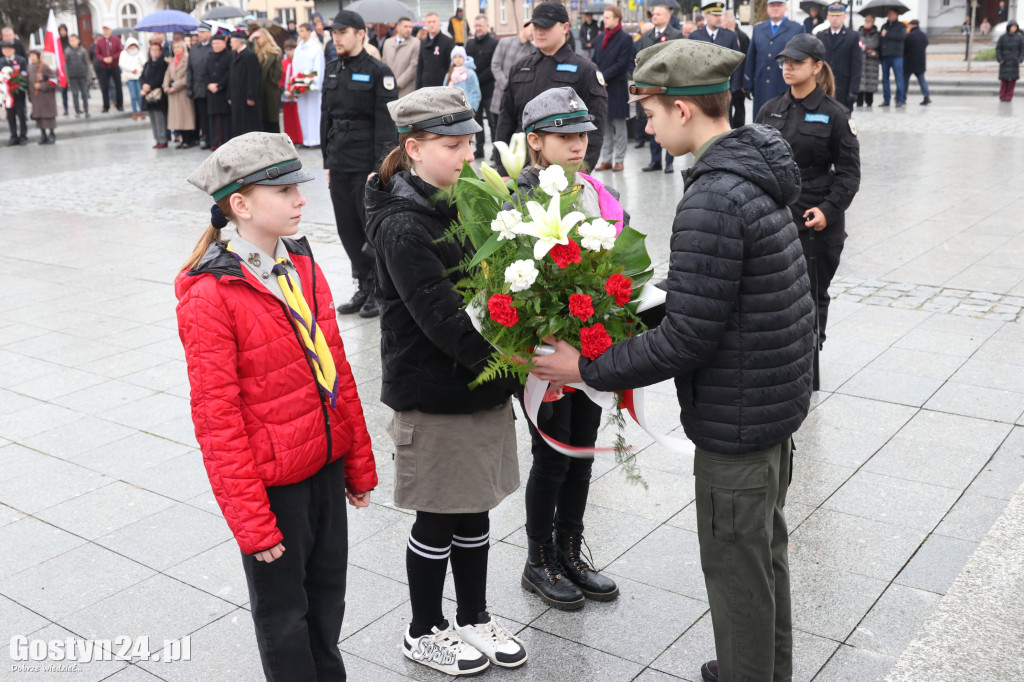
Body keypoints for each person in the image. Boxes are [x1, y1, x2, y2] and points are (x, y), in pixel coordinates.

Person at [531, 38, 813, 682]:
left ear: (684, 110)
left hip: (737, 418)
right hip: (768, 407)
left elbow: (689, 339)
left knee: (737, 567)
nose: (645, 124)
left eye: (651, 111)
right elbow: (732, 300)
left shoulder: (713, 197)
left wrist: (587, 369)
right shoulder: (754, 170)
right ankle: (764, 668)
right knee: (763, 558)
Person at [176, 131, 376, 682]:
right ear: (239, 205)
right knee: (285, 619)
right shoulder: (210, 294)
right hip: (274, 487)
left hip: (325, 465)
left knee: (327, 603)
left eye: (298, 187)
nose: (300, 199)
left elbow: (336, 368)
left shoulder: (301, 265)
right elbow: (217, 421)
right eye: (283, 189)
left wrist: (356, 461)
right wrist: (252, 523)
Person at [363, 86, 526, 677]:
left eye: (471, 144)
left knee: (475, 507)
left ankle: (475, 616)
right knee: (437, 514)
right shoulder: (403, 224)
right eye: (453, 145)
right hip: (435, 389)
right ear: (414, 148)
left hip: (481, 382)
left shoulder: (461, 197)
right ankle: (424, 627)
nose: (466, 156)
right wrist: (520, 368)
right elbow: (441, 319)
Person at [516, 86, 623, 611]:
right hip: (543, 350)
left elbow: (619, 259)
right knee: (552, 456)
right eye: (564, 135)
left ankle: (570, 552)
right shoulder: (519, 202)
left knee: (583, 450)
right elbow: (514, 290)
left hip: (587, 346)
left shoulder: (595, 192)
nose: (578, 143)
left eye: (582, 133)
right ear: (535, 143)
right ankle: (538, 561)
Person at [757, 33, 860, 390]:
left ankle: (809, 367)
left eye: (796, 63)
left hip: (815, 222)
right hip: (775, 219)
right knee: (773, 294)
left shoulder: (836, 115)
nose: (787, 67)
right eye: (784, 62)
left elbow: (849, 176)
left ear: (817, 67)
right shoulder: (769, 109)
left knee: (812, 296)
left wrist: (828, 211)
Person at [320, 10, 399, 318]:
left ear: (360, 33)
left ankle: (380, 289)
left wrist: (379, 166)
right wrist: (327, 159)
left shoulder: (379, 71)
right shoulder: (331, 69)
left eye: (342, 32)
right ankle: (363, 285)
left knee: (370, 229)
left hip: (366, 161)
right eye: (333, 33)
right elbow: (326, 117)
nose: (336, 38)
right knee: (347, 229)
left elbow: (385, 123)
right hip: (339, 160)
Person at [496, 3, 608, 173]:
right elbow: (505, 121)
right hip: (522, 168)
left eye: (546, 26)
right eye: (535, 26)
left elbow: (595, 127)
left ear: (565, 27)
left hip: (564, 170)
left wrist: (580, 173)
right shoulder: (520, 68)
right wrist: (503, 170)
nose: (539, 32)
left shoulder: (585, 70)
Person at [635, 3, 683, 171]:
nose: (654, 16)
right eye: (653, 14)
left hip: (668, 87)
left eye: (658, 14)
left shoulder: (676, 35)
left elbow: (678, 61)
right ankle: (655, 161)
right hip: (650, 87)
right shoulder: (646, 36)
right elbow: (639, 61)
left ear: (667, 17)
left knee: (670, 122)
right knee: (653, 123)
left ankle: (669, 161)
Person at [588, 5, 632, 173]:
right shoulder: (600, 38)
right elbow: (594, 60)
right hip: (602, 87)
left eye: (607, 17)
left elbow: (622, 64)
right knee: (604, 125)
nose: (604, 20)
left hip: (617, 87)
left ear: (616, 19)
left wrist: (603, 77)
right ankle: (606, 159)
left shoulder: (625, 38)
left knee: (619, 127)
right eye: (604, 17)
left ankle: (619, 160)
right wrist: (597, 77)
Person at [744, 0, 805, 119]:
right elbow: (751, 57)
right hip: (762, 87)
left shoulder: (796, 28)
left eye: (779, 5)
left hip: (785, 86)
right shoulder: (758, 29)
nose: (775, 8)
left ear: (785, 8)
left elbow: (802, 58)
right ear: (767, 8)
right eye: (772, 5)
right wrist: (748, 83)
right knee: (761, 124)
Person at [489, 22, 535, 153]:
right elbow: (495, 65)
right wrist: (506, 85)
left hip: (519, 99)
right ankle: (497, 154)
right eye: (532, 29)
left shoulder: (533, 50)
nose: (533, 33)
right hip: (500, 94)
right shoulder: (504, 42)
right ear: (523, 27)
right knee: (498, 127)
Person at [818, 3, 863, 110]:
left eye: (838, 16)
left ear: (844, 17)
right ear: (827, 17)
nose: (835, 19)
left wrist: (853, 90)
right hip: (824, 87)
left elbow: (857, 66)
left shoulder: (853, 37)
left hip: (844, 88)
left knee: (844, 122)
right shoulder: (821, 36)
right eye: (832, 16)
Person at [466, 15, 498, 159]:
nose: (478, 28)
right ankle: (479, 149)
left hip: (489, 89)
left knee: (492, 122)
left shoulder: (494, 43)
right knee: (476, 122)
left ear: (487, 26)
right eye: (476, 25)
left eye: (481, 25)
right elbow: (466, 64)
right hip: (473, 93)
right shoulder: (470, 44)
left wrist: (477, 79)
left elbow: (494, 66)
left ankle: (495, 151)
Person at [293, 23, 325, 147]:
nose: (300, 33)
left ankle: (316, 139)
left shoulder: (316, 48)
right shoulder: (298, 48)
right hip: (301, 84)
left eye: (302, 30)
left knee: (314, 112)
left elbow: (319, 67)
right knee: (303, 112)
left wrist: (315, 83)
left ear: (308, 32)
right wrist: (296, 82)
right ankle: (306, 139)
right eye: (299, 31)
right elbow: (295, 66)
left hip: (312, 85)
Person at [228, 31, 262, 138]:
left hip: (245, 95)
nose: (230, 44)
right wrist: (229, 95)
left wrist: (250, 96)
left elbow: (253, 77)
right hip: (235, 95)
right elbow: (231, 76)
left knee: (248, 122)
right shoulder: (234, 54)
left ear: (239, 42)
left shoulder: (250, 55)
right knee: (237, 122)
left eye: (232, 42)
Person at [164, 40, 197, 148]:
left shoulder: (187, 58)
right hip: (173, 94)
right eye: (174, 48)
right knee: (178, 118)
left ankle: (189, 140)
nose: (176, 50)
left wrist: (175, 86)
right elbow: (167, 74)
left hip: (183, 91)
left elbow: (188, 76)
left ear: (183, 48)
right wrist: (166, 87)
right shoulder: (173, 60)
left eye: (178, 47)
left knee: (186, 117)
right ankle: (183, 139)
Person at [252, 30, 283, 133]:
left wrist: (273, 81)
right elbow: (245, 53)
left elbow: (278, 72)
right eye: (256, 39)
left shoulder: (275, 51)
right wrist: (250, 38)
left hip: (271, 89)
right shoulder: (256, 52)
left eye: (259, 38)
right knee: (262, 118)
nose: (258, 41)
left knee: (272, 118)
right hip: (260, 89)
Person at [139, 41, 169, 149]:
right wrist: (143, 85)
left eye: (156, 50)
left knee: (159, 118)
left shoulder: (163, 64)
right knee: (152, 118)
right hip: (148, 96)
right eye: (152, 49)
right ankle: (157, 139)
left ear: (160, 51)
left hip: (158, 95)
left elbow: (160, 78)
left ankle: (163, 139)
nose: (154, 52)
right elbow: (141, 77)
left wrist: (149, 86)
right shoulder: (148, 63)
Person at [381, 16, 420, 97]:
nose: (409, 29)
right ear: (398, 27)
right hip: (388, 86)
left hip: (406, 89)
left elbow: (413, 67)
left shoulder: (415, 43)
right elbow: (383, 64)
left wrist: (398, 83)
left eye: (410, 27)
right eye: (405, 26)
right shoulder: (388, 42)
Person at [723, 12, 750, 127]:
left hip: (739, 81)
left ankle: (739, 130)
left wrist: (745, 81)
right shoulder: (726, 36)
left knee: (739, 109)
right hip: (729, 79)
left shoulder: (742, 36)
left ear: (729, 21)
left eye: (722, 21)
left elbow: (746, 60)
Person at [205, 33, 231, 150]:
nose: (215, 46)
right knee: (213, 119)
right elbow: (205, 73)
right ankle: (215, 141)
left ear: (224, 44)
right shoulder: (210, 57)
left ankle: (224, 141)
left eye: (217, 43)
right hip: (211, 92)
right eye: (213, 43)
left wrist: (219, 85)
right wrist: (209, 84)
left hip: (223, 92)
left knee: (225, 119)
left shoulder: (229, 56)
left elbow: (229, 73)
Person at [188, 25, 213, 147]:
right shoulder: (194, 49)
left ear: (209, 32)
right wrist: (190, 87)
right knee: (203, 116)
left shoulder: (214, 45)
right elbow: (190, 69)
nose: (200, 35)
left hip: (212, 88)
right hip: (198, 88)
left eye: (202, 32)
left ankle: (215, 139)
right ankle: (207, 138)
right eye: (199, 33)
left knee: (212, 115)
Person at [0, 39, 27, 145]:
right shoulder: (1, 61)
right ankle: (13, 135)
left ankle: (23, 135)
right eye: (4, 49)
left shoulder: (21, 60)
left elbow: (24, 74)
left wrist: (17, 81)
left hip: (18, 93)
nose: (7, 51)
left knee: (21, 114)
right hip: (7, 94)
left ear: (13, 50)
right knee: (10, 115)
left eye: (9, 49)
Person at [27, 50, 57, 144]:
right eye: (30, 55)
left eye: (33, 55)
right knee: (39, 117)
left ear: (38, 56)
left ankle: (51, 134)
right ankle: (43, 134)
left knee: (48, 116)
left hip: (46, 97)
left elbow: (53, 81)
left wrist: (42, 85)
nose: (32, 57)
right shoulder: (29, 67)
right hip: (36, 98)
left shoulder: (44, 67)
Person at [417, 13, 455, 87]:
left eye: (434, 22)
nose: (432, 24)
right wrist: (418, 86)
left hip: (442, 84)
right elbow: (420, 66)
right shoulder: (423, 43)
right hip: (426, 85)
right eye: (429, 22)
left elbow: (450, 66)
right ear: (426, 25)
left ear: (439, 23)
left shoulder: (448, 41)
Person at [879, 8, 906, 106]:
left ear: (896, 15)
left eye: (891, 14)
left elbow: (901, 37)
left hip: (896, 56)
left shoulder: (901, 26)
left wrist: (887, 34)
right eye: (888, 14)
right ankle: (886, 99)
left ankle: (900, 100)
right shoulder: (884, 26)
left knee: (899, 78)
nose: (889, 16)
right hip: (885, 56)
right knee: (885, 79)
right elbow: (880, 41)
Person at [94, 24, 124, 113]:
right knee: (104, 87)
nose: (106, 32)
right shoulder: (100, 41)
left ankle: (120, 105)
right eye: (104, 30)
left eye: (107, 30)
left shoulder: (116, 40)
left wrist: (113, 57)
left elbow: (120, 51)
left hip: (115, 65)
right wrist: (103, 59)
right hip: (104, 66)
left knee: (118, 85)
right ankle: (106, 106)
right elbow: (97, 53)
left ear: (110, 30)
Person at [443, 46, 482, 111]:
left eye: (460, 57)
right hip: (451, 108)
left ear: (464, 58)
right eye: (455, 57)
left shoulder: (470, 73)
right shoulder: (449, 74)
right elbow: (443, 91)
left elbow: (475, 93)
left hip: (466, 108)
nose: (457, 59)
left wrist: (472, 109)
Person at [903, 19, 930, 105]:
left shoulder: (909, 36)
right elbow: (926, 44)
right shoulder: (924, 35)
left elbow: (904, 49)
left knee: (905, 81)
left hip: (908, 62)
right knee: (922, 80)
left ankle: (903, 97)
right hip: (920, 61)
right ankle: (926, 96)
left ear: (912, 25)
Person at [64, 34, 91, 119]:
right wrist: (67, 78)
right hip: (73, 77)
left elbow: (87, 64)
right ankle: (77, 111)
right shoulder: (67, 51)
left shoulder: (82, 51)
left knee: (85, 94)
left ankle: (86, 111)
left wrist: (88, 76)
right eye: (71, 40)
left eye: (74, 40)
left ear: (78, 41)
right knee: (75, 94)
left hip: (82, 76)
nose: (73, 42)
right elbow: (65, 66)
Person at [118, 38, 145, 120]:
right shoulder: (124, 54)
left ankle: (142, 111)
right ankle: (134, 111)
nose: (132, 47)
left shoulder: (139, 53)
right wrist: (132, 69)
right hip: (129, 77)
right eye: (131, 45)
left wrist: (138, 70)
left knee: (140, 95)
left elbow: (143, 63)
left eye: (134, 45)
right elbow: (122, 64)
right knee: (133, 96)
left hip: (139, 76)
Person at [281, 39, 302, 144]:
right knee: (288, 117)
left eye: (291, 50)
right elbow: (280, 78)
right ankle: (290, 138)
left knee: (296, 116)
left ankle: (299, 138)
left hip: (296, 93)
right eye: (287, 50)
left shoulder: (298, 62)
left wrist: (295, 91)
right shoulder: (283, 63)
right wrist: (283, 91)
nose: (289, 52)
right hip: (286, 94)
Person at [997, 20, 1024, 100]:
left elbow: (1022, 50)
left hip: (1014, 62)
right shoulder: (1003, 37)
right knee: (1004, 80)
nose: (1013, 28)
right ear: (1008, 27)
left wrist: (1020, 59)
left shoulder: (1019, 38)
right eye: (1012, 26)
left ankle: (1009, 96)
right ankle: (1002, 96)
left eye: (1015, 27)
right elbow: (998, 49)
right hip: (1005, 61)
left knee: (1012, 81)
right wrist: (1000, 59)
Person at [857, 14, 880, 107]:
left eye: (869, 21)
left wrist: (865, 46)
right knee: (860, 81)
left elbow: (875, 43)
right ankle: (859, 101)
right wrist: (864, 47)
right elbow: (859, 42)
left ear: (873, 22)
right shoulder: (860, 32)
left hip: (871, 61)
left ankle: (869, 101)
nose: (867, 23)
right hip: (861, 59)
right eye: (866, 21)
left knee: (871, 81)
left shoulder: (875, 33)